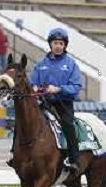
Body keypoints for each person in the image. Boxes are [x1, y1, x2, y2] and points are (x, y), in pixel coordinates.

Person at [30, 27, 82, 172]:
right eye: (55, 43)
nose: (58, 46)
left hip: (63, 103)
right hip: (43, 103)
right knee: (26, 121)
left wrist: (59, 89)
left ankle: (74, 159)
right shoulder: (41, 64)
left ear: (64, 45)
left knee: (68, 125)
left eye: (61, 43)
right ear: (50, 44)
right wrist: (34, 88)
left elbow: (77, 86)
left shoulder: (71, 64)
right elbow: (33, 82)